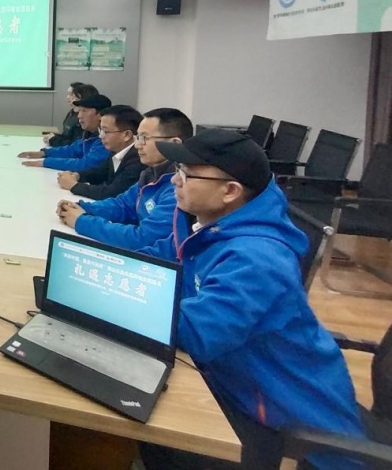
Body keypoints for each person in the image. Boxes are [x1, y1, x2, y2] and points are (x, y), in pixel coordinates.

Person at [136, 130, 365, 470]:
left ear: (230, 191)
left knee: (136, 422)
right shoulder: (211, 226)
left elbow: (197, 333)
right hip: (231, 380)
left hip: (276, 412)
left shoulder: (257, 257)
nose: (174, 180)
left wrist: (115, 300)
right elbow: (161, 261)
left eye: (187, 173)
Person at [57, 107, 192, 250]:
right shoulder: (150, 174)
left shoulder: (179, 189)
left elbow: (141, 239)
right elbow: (122, 205)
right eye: (137, 137)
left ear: (174, 144)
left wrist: (81, 221)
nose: (137, 145)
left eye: (144, 138)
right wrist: (83, 207)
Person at [57, 104, 143, 200]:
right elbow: (100, 172)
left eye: (106, 131)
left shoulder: (139, 159)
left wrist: (73, 185)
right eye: (100, 131)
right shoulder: (116, 150)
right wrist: (77, 175)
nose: (101, 136)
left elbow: (112, 193)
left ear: (127, 135)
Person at [19, 94, 112, 173]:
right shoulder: (89, 134)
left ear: (100, 115)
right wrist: (44, 153)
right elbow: (72, 150)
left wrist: (46, 162)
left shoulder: (107, 139)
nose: (79, 116)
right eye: (79, 111)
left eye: (84, 111)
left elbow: (85, 165)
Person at [43, 82, 98, 148]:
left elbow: (76, 147)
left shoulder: (89, 124)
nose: (79, 116)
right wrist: (54, 137)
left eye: (72, 95)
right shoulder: (71, 113)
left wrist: (54, 140)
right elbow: (68, 138)